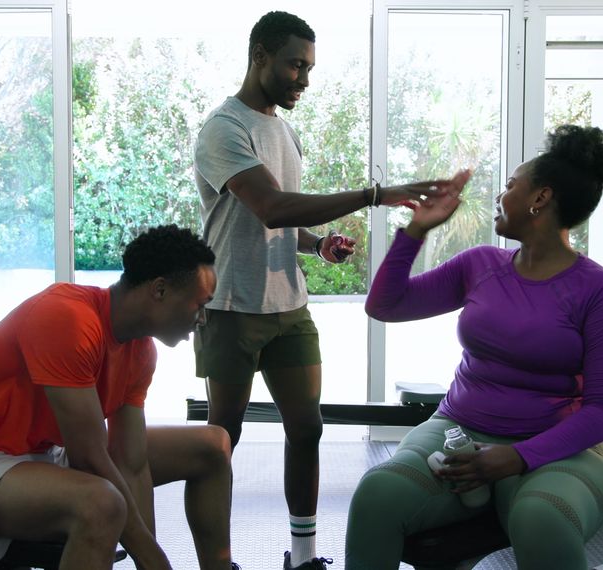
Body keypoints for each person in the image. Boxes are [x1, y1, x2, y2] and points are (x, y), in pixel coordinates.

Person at [192, 10, 454, 570]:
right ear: (259, 54)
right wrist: (373, 194)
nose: (303, 79)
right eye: (294, 65)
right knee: (221, 442)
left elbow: (283, 221)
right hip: (232, 307)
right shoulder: (224, 128)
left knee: (307, 428)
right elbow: (271, 205)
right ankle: (217, 561)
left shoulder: (284, 130)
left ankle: (305, 556)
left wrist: (315, 245)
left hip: (290, 306)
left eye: (309, 68)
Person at [345, 125, 603, 569]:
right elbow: (385, 305)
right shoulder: (481, 264)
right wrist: (416, 230)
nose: (500, 196)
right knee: (377, 496)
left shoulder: (602, 291)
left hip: (559, 446)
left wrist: (518, 457)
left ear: (539, 198)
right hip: (459, 429)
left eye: (510, 186)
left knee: (542, 517)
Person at [0, 225, 237, 570]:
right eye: (199, 304)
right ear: (160, 290)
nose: (203, 318)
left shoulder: (140, 351)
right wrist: (155, 560)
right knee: (102, 504)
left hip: (46, 457)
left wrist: (148, 560)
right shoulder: (68, 319)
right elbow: (90, 459)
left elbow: (131, 464)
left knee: (212, 445)